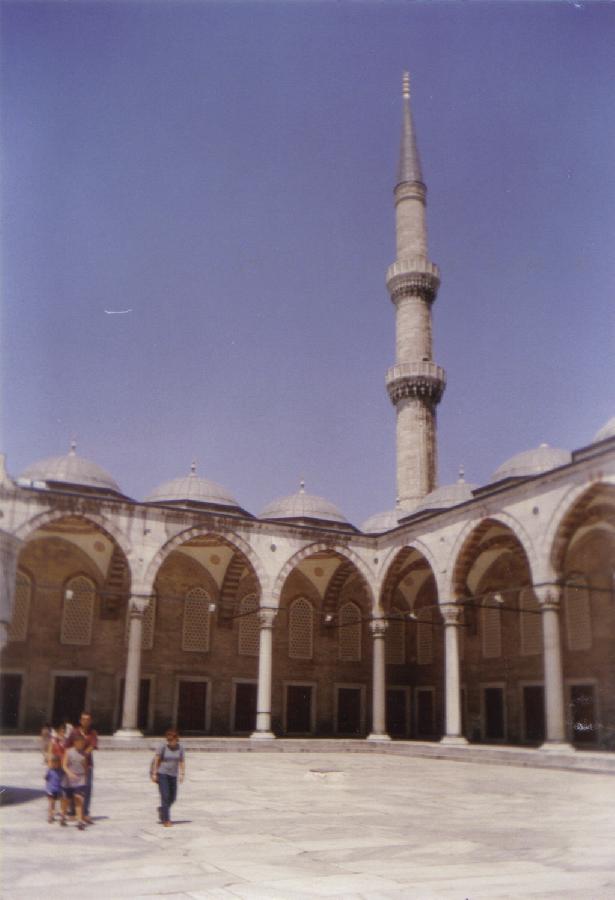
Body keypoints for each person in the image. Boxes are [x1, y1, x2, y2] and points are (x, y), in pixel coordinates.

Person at [66, 711, 98, 823]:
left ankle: (85, 813)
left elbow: (93, 746)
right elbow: (67, 745)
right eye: (84, 719)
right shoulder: (74, 732)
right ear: (80, 720)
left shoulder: (92, 733)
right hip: (74, 765)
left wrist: (83, 754)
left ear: (91, 721)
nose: (86, 721)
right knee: (73, 788)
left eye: (88, 719)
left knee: (87, 788)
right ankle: (73, 812)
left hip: (87, 765)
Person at [151, 729, 185, 827]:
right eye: (169, 740)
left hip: (173, 775)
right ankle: (166, 820)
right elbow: (157, 759)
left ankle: (162, 809)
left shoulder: (180, 748)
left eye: (172, 740)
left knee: (173, 797)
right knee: (165, 796)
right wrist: (154, 773)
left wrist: (182, 774)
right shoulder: (163, 747)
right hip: (163, 774)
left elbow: (182, 761)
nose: (170, 742)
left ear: (176, 739)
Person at [62, 733, 88, 830]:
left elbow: (85, 768)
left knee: (78, 799)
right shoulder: (68, 752)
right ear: (75, 743)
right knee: (67, 800)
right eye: (79, 743)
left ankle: (79, 821)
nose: (81, 745)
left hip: (80, 778)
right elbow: (64, 765)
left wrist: (85, 779)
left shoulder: (84, 754)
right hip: (69, 779)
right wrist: (69, 773)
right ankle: (63, 816)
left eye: (82, 743)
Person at [45, 754, 66, 825]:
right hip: (51, 789)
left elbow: (65, 776)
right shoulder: (49, 771)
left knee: (62, 803)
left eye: (56, 763)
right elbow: (46, 778)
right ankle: (51, 816)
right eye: (53, 763)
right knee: (51, 804)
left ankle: (62, 817)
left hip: (59, 789)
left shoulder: (61, 771)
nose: (55, 764)